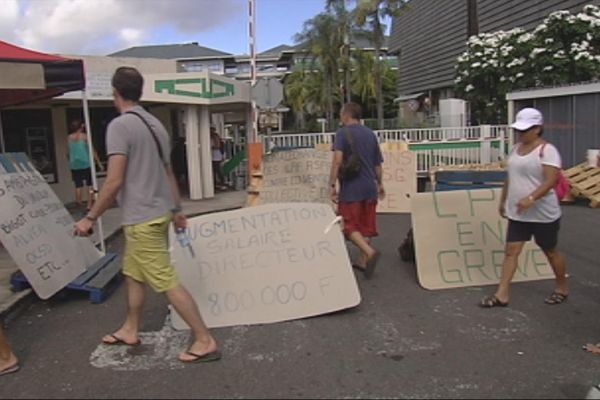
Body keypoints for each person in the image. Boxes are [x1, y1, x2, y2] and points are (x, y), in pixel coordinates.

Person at [74, 66, 220, 363]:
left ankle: (204, 339)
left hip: (142, 218)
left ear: (115, 93)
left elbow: (114, 181)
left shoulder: (120, 126)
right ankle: (130, 328)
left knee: (166, 280)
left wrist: (90, 217)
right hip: (158, 213)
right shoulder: (155, 125)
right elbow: (169, 173)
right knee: (133, 275)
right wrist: (177, 210)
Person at [480, 108, 568, 308]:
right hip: (519, 212)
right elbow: (510, 177)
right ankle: (502, 294)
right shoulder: (515, 149)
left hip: (543, 212)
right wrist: (503, 201)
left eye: (525, 129)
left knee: (550, 250)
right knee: (511, 250)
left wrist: (531, 198)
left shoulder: (547, 151)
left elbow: (551, 180)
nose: (521, 134)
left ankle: (562, 287)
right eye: (519, 130)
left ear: (537, 129)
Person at [329, 102, 385, 279]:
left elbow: (337, 160)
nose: (340, 117)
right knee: (366, 226)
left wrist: (332, 184)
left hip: (351, 188)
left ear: (346, 115)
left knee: (348, 225)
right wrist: (380, 183)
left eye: (340, 114)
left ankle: (369, 252)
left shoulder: (342, 133)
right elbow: (378, 164)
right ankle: (363, 261)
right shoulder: (370, 134)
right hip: (370, 187)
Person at [67, 120, 104, 210]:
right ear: (81, 127)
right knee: (90, 185)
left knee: (78, 185)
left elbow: (67, 152)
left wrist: (70, 160)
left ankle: (79, 202)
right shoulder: (85, 137)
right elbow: (92, 150)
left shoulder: (69, 137)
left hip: (74, 164)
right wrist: (99, 162)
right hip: (86, 163)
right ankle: (89, 205)